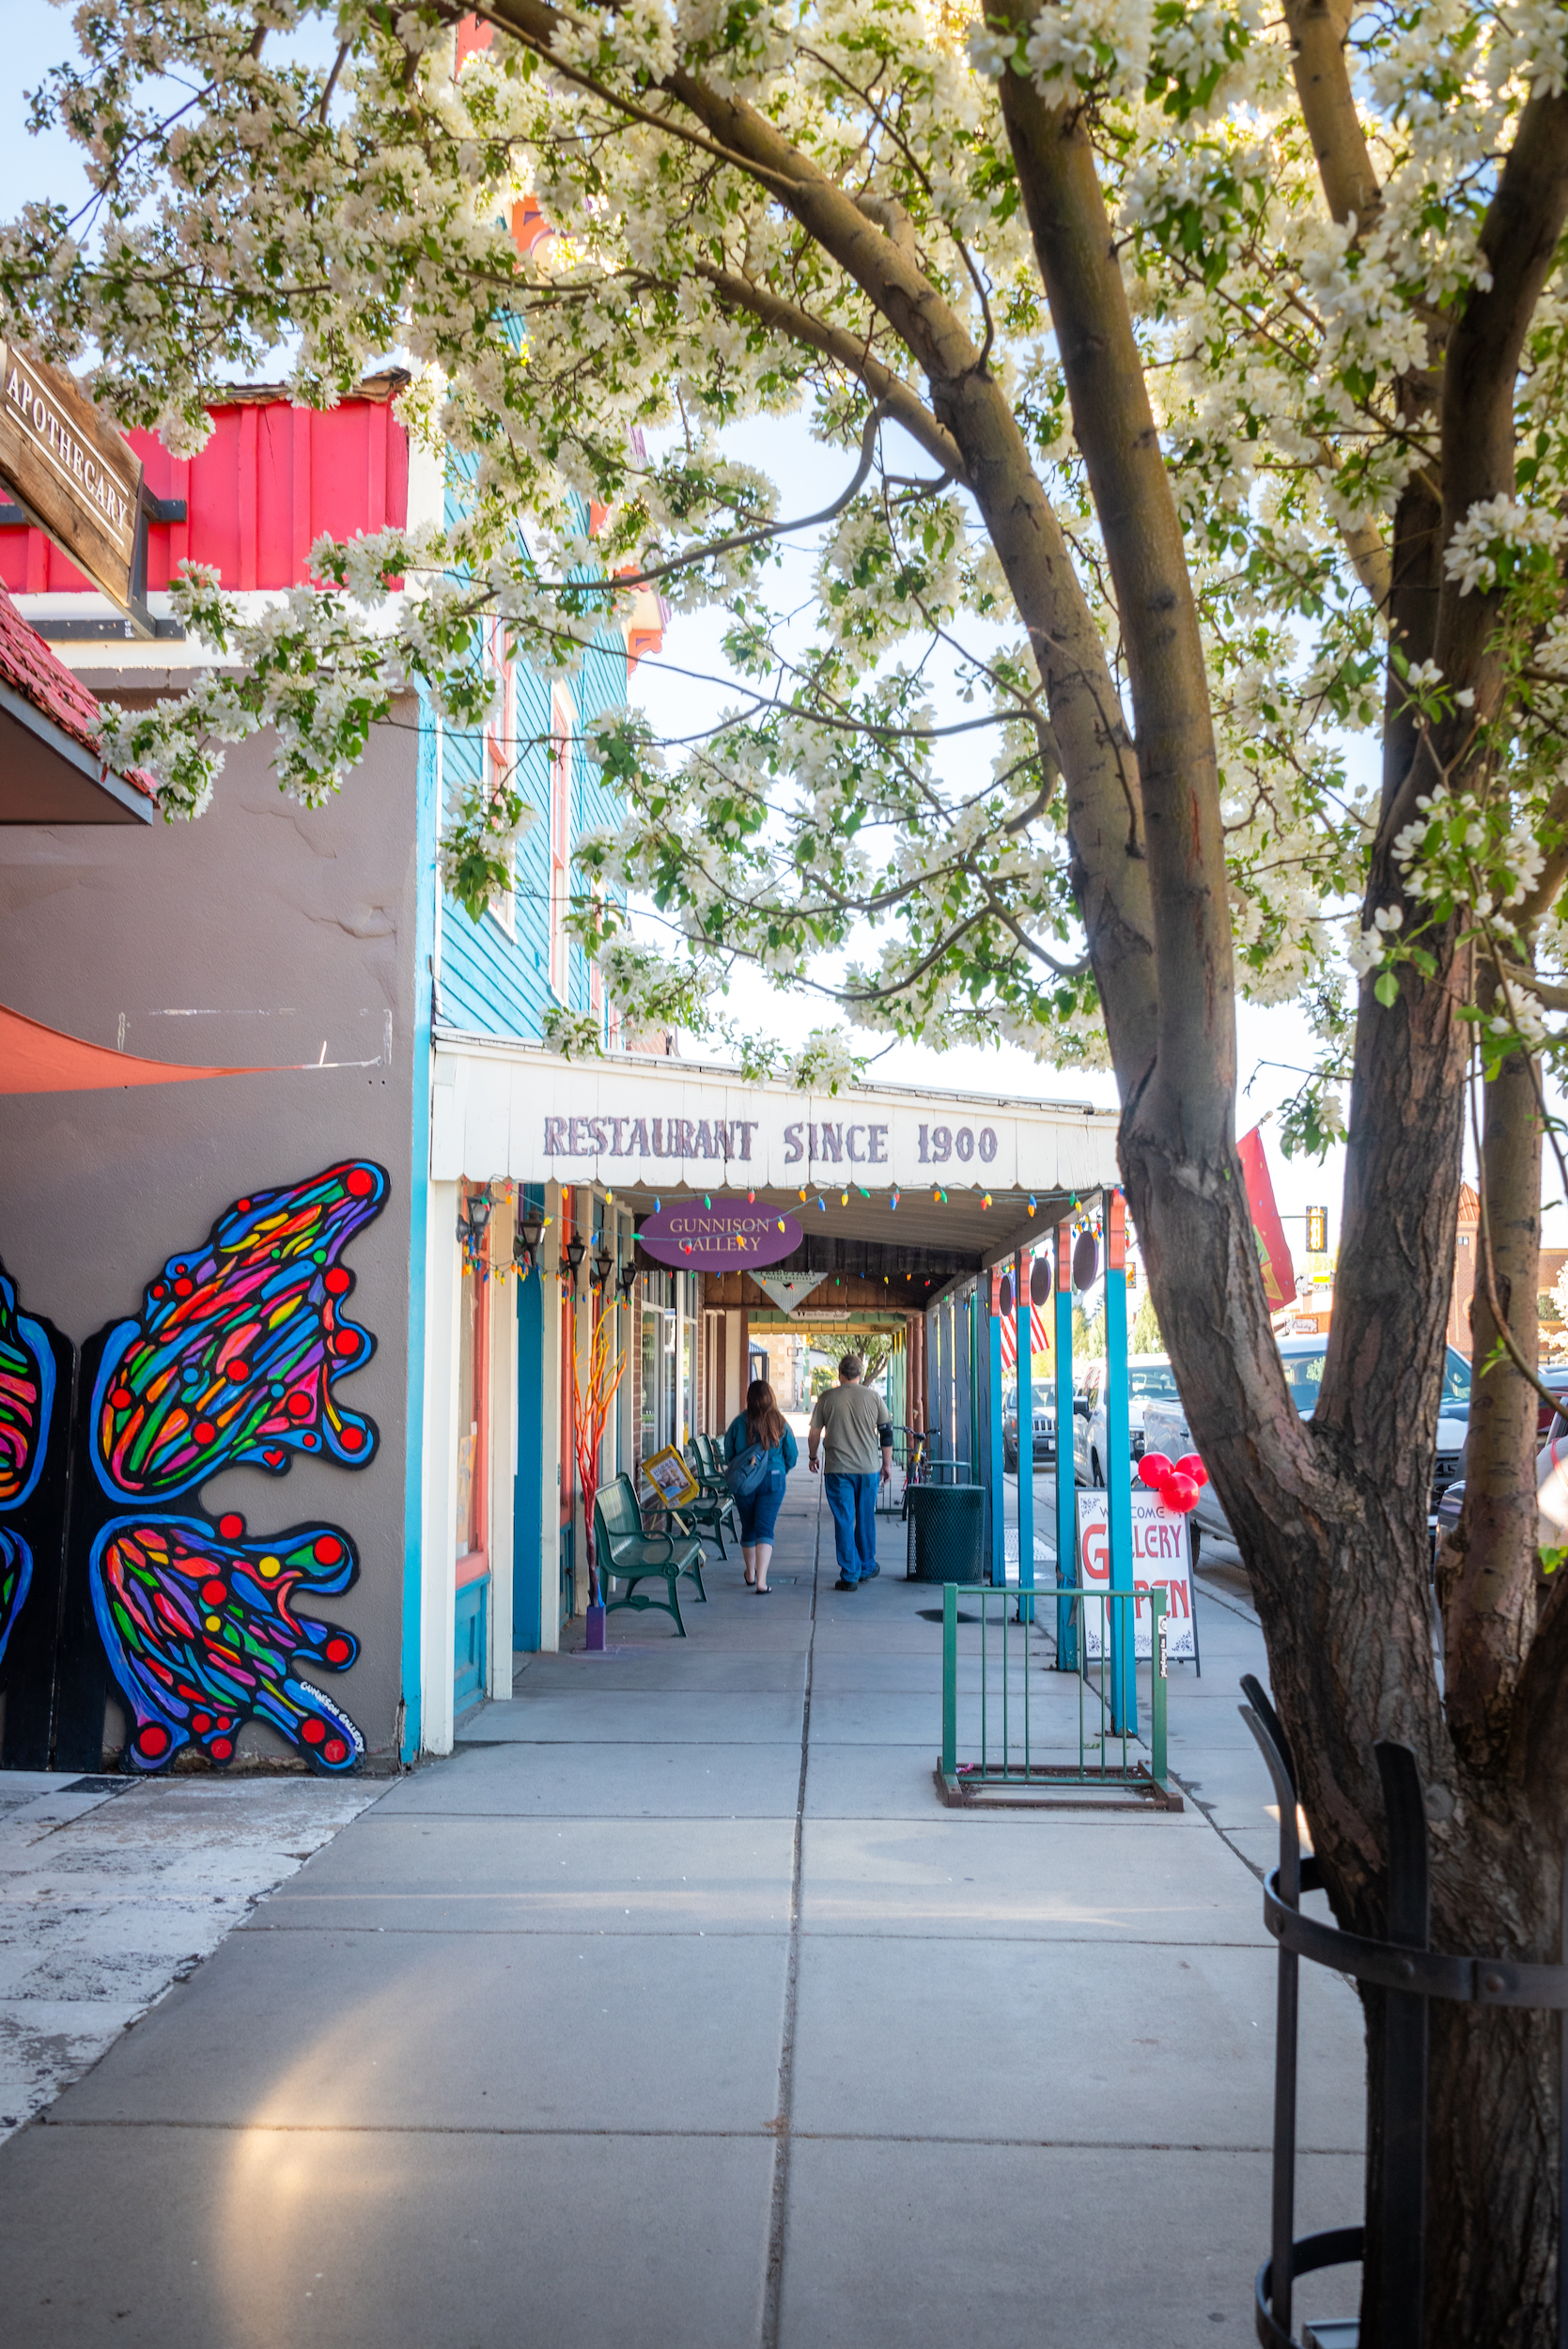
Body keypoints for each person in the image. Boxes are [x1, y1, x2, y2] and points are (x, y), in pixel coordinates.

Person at [808, 1355, 893, 1592]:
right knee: (866, 1517)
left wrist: (813, 1456)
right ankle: (866, 1567)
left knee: (844, 1520)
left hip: (838, 1470)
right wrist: (886, 1464)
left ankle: (849, 1574)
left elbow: (814, 1433)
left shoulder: (827, 1398)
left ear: (839, 1373)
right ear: (860, 1373)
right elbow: (887, 1434)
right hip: (868, 1469)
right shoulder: (874, 1397)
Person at [723, 1378, 799, 1594]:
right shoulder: (780, 1422)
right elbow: (792, 1456)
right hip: (774, 1479)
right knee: (765, 1529)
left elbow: (729, 1454)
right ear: (771, 1397)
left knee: (748, 1526)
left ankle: (750, 1573)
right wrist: (780, 1470)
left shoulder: (739, 1423)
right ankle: (761, 1581)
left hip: (745, 1481)